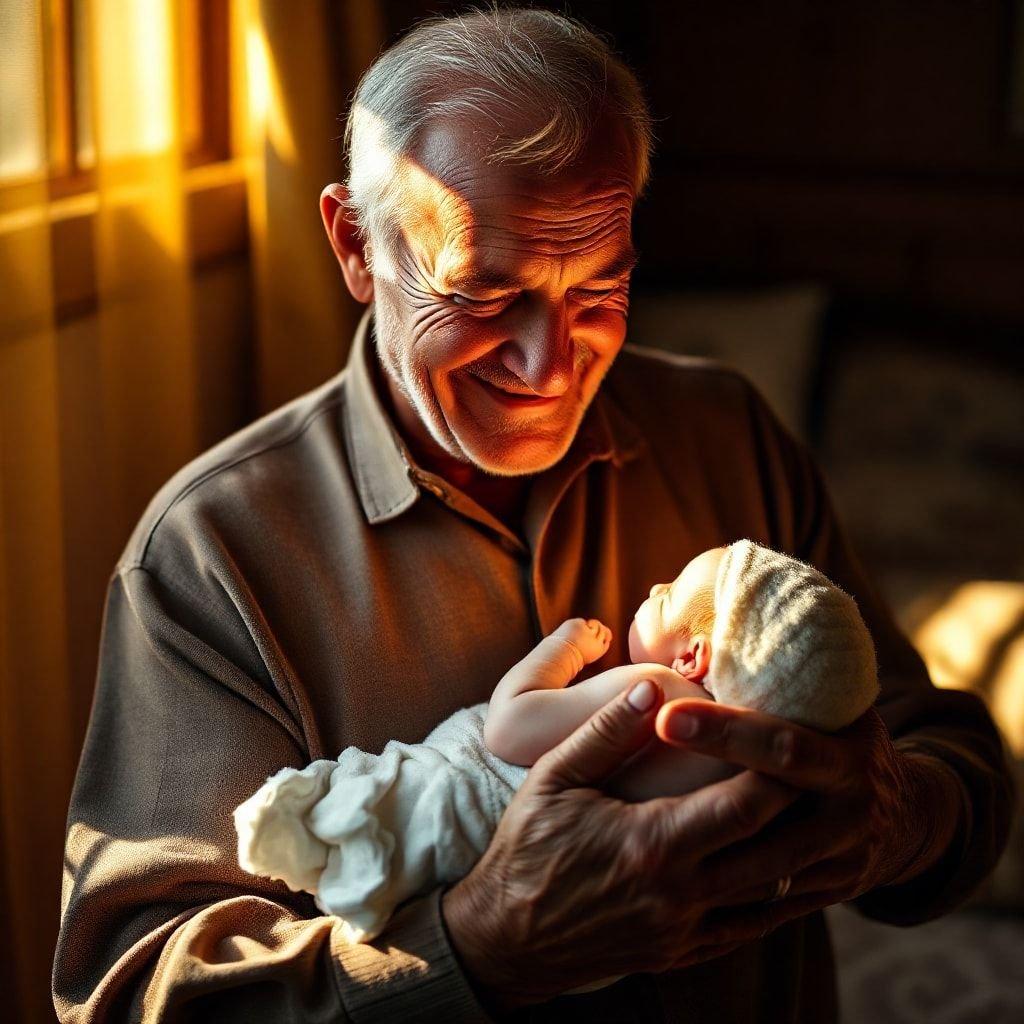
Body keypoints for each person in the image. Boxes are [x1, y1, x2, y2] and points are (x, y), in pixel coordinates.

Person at [55, 8, 1013, 1023]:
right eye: (484, 293)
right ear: (353, 244)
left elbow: (946, 764)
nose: (552, 367)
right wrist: (477, 944)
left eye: (598, 286)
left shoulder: (726, 433)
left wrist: (891, 822)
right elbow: (129, 993)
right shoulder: (212, 557)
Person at [232, 541, 881, 964]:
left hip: (471, 811)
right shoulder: (747, 772)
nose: (655, 584)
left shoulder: (656, 690)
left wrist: (562, 651)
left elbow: (509, 733)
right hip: (594, 954)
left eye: (672, 591)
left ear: (692, 657)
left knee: (360, 806)